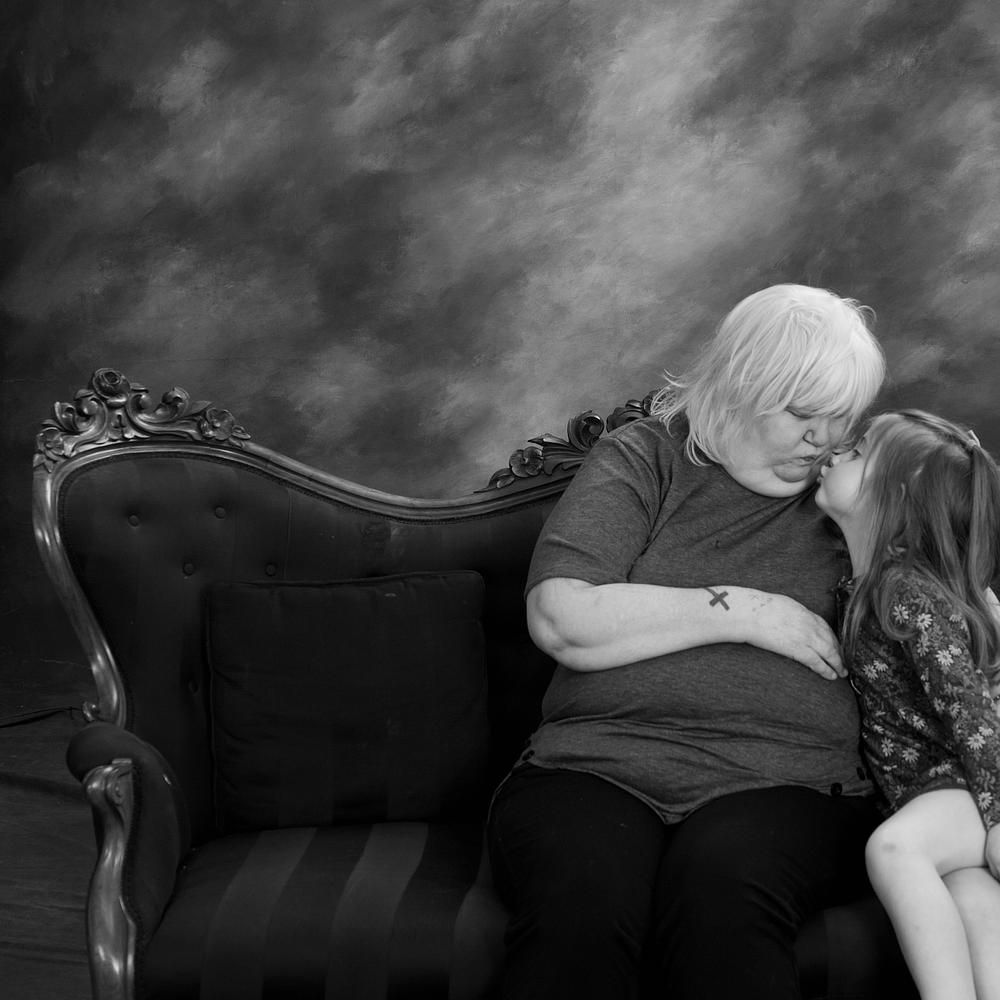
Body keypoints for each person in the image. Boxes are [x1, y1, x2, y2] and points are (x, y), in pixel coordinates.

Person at [487, 283, 887, 999]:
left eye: (841, 416)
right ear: (738, 387)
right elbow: (560, 617)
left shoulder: (853, 489)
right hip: (596, 768)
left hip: (792, 786)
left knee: (722, 895)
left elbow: (948, 615)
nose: (823, 439)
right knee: (583, 902)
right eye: (802, 414)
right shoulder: (644, 458)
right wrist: (744, 611)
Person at [815, 409, 1000, 1000]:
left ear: (895, 496)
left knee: (895, 849)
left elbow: (971, 711)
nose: (836, 451)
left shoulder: (907, 592)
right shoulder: (862, 586)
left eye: (857, 452)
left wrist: (998, 816)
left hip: (966, 786)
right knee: (972, 902)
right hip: (933, 794)